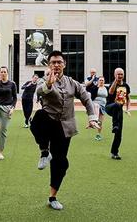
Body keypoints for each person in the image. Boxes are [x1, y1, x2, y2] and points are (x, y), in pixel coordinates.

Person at [31, 50, 99, 210]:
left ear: (64, 64)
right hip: (49, 122)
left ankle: (52, 197)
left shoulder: (72, 83)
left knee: (61, 163)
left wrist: (92, 118)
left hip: (65, 127)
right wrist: (48, 84)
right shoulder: (44, 80)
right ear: (49, 65)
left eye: (59, 62)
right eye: (53, 62)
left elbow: (86, 99)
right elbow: (39, 91)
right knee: (38, 117)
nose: (56, 65)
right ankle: (44, 152)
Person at [105, 68, 131, 160]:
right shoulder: (112, 84)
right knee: (117, 104)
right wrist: (116, 81)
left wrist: (128, 109)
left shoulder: (126, 86)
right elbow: (111, 92)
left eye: (121, 74)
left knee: (119, 133)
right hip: (110, 107)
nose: (120, 76)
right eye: (118, 74)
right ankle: (114, 125)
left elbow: (128, 98)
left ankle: (114, 152)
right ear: (115, 75)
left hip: (119, 110)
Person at [92, 76, 108, 141]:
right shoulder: (95, 88)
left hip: (103, 105)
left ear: (104, 81)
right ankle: (94, 120)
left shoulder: (106, 88)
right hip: (95, 104)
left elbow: (109, 96)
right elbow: (91, 96)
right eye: (100, 80)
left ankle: (98, 134)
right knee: (97, 107)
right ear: (98, 81)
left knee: (100, 122)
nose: (101, 81)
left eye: (102, 80)